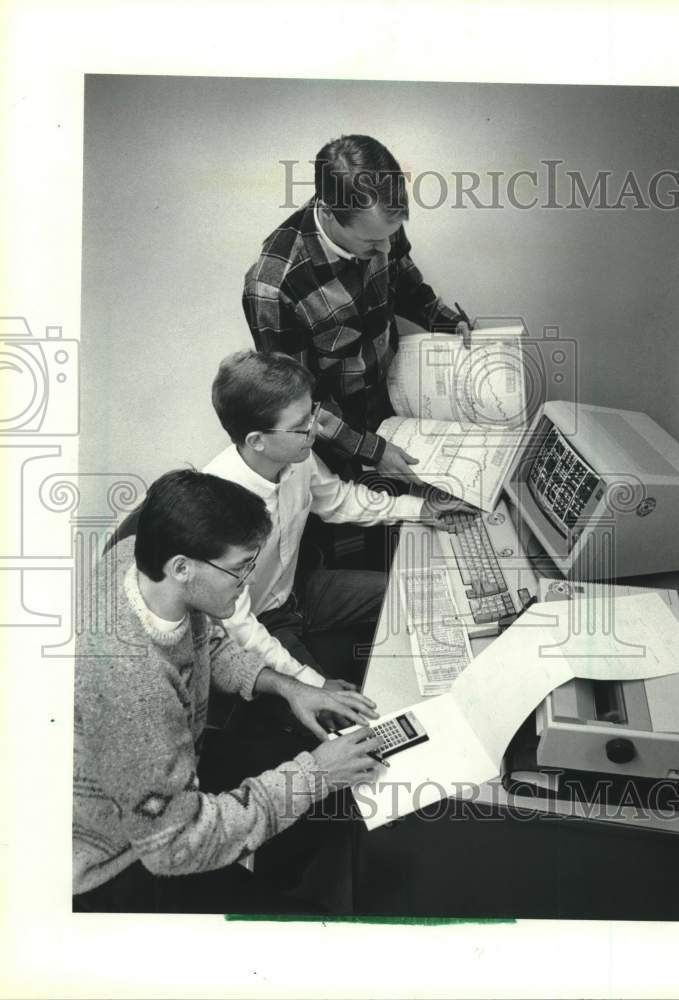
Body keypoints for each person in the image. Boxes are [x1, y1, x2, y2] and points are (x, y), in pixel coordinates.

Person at [73, 469, 383, 914]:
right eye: (240, 570)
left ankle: (275, 876)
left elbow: (207, 643)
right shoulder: (130, 684)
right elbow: (173, 847)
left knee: (314, 768)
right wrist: (316, 775)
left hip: (172, 769)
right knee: (299, 928)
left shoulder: (137, 556)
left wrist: (290, 688)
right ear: (182, 568)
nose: (248, 584)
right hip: (123, 858)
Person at [204, 349, 470, 688]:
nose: (315, 430)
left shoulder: (298, 456)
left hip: (299, 589)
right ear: (256, 440)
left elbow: (338, 499)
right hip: (258, 625)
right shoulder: (217, 507)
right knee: (336, 711)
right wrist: (312, 684)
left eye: (311, 414)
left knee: (418, 597)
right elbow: (238, 626)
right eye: (300, 426)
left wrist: (420, 510)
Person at [242, 133, 470, 483]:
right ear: (331, 214)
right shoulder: (275, 287)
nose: (384, 249)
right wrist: (371, 450)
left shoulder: (380, 229)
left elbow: (405, 281)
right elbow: (299, 404)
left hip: (397, 405)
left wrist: (446, 322)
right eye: (371, 242)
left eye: (390, 236)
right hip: (335, 444)